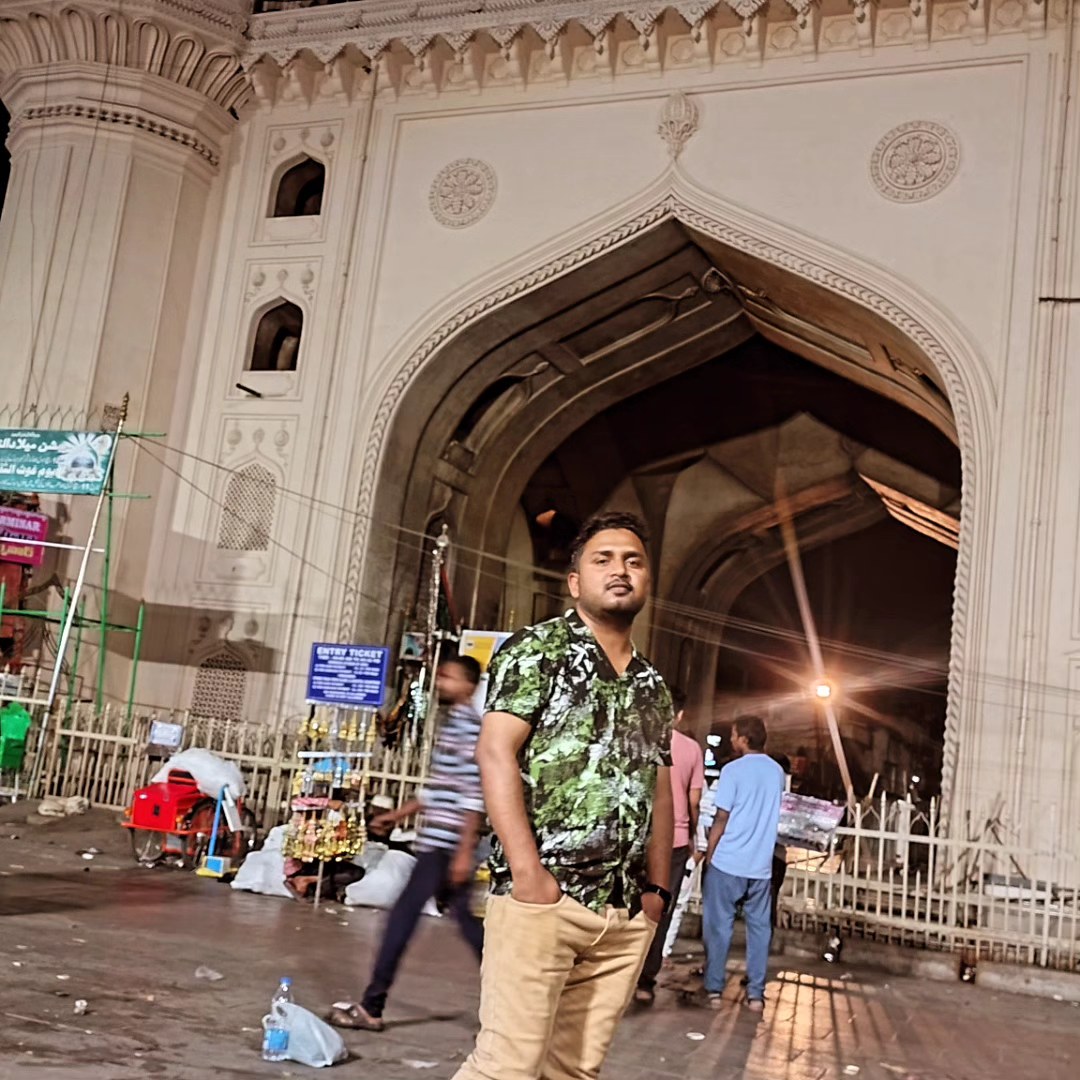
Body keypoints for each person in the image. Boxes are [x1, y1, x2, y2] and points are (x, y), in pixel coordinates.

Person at [452, 511, 675, 1080]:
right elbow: (495, 752)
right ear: (575, 582)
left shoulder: (651, 684)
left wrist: (656, 890)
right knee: (507, 1067)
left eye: (633, 561)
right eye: (603, 560)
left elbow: (658, 781)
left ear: (647, 580)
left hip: (624, 912)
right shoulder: (539, 649)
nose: (620, 570)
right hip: (545, 900)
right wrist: (529, 875)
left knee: (574, 1071)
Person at [328, 655, 486, 1032]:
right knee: (469, 927)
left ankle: (372, 1007)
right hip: (440, 843)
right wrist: (397, 816)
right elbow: (438, 789)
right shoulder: (454, 725)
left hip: (446, 847)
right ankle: (527, 998)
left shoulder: (469, 729)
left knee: (401, 920)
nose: (441, 683)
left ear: (468, 685)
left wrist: (464, 851)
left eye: (448, 677)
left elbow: (472, 794)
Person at [702, 714, 784, 1013]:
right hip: (761, 865)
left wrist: (710, 853)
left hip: (729, 861)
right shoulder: (776, 772)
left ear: (744, 739)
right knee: (760, 930)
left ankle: (714, 989)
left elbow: (721, 817)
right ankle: (755, 995)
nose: (732, 740)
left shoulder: (732, 770)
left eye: (735, 735)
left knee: (718, 927)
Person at [634, 689, 703, 1004]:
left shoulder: (640, 738)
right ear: (679, 715)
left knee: (629, 904)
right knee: (661, 908)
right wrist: (692, 837)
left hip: (638, 836)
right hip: (674, 841)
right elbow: (694, 801)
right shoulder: (691, 749)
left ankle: (620, 972)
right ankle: (645, 982)